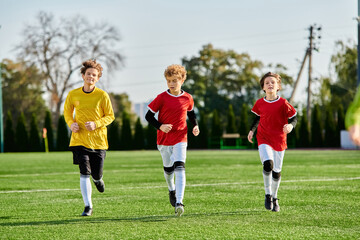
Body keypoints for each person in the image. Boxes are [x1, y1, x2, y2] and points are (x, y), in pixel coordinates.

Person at [145, 64, 200, 216]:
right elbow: (148, 116)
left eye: (175, 80)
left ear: (182, 80)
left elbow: (191, 114)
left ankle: (179, 202)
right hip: (163, 140)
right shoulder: (161, 98)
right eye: (169, 80)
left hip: (181, 137)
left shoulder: (187, 97)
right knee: (168, 169)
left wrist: (195, 126)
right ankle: (171, 189)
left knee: (180, 166)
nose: (171, 83)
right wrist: (160, 126)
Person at [64, 59, 115, 216]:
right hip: (79, 140)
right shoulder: (73, 94)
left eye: (94, 75)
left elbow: (110, 116)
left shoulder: (102, 95)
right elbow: (67, 112)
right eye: (88, 74)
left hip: (99, 141)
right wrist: (71, 123)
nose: (91, 77)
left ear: (97, 78)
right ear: (82, 75)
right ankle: (88, 206)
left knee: (95, 174)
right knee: (84, 172)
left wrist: (97, 124)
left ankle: (98, 180)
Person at [247, 72, 297, 212]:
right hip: (263, 138)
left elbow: (294, 117)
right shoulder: (259, 103)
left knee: (277, 171)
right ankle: (267, 194)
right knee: (268, 164)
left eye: (273, 82)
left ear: (278, 86)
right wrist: (252, 131)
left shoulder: (283, 103)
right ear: (263, 87)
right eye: (267, 82)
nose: (270, 84)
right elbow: (257, 118)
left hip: (279, 140)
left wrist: (290, 126)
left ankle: (275, 197)